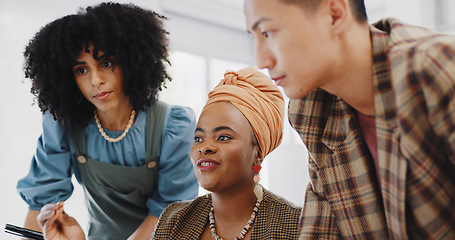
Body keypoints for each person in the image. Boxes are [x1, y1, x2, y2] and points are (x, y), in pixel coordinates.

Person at [244, 0, 455, 239]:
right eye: (254, 37)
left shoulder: (439, 68)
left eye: (268, 33)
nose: (261, 60)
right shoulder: (311, 110)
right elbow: (323, 227)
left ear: (334, 14)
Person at [36, 67, 302, 240]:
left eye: (223, 137)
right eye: (198, 138)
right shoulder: (173, 220)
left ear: (257, 153)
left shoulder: (297, 226)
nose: (204, 147)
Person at [16, 2, 198, 240]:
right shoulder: (63, 127)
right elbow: (41, 203)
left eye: (106, 63)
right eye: (82, 70)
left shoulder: (173, 126)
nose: (96, 80)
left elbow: (172, 212)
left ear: (131, 61)